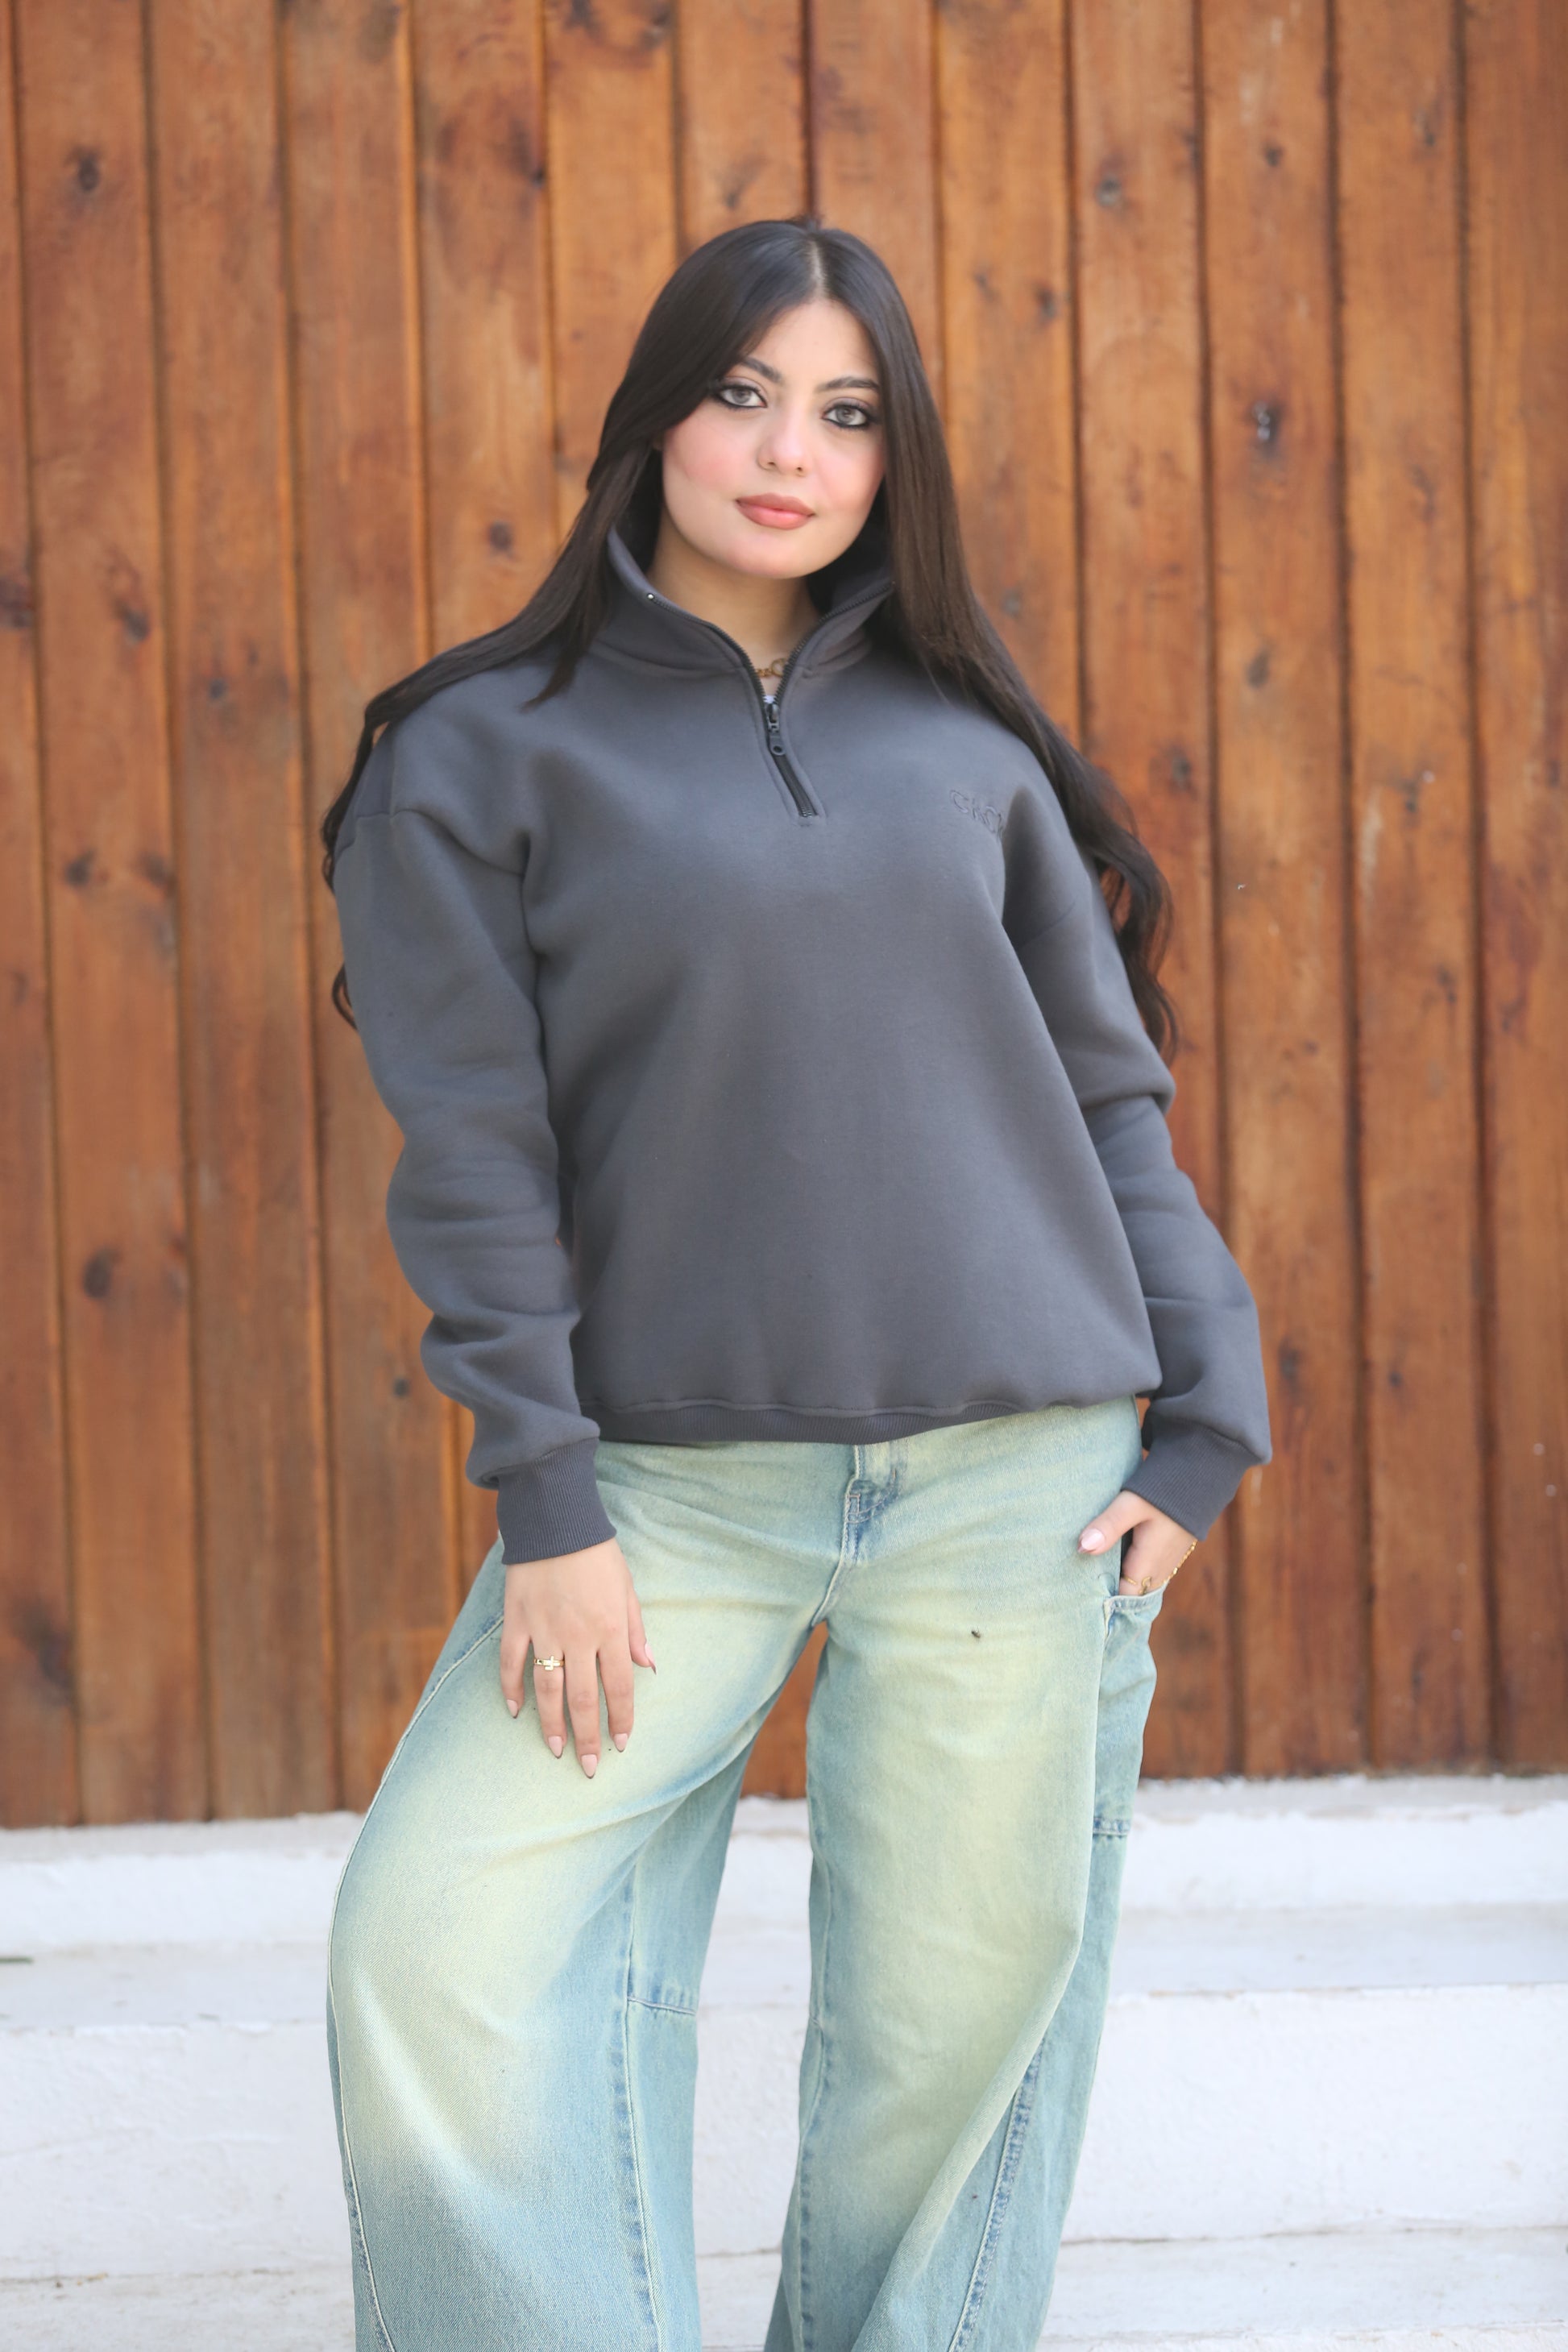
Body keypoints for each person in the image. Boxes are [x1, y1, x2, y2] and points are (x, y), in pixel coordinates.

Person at [319, 214, 1271, 2352]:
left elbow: (1107, 1103)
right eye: (744, 394)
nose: (786, 454)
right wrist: (546, 1495)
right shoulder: (476, 750)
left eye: (844, 414)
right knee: (438, 1954)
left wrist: (1207, 1416)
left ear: (890, 458)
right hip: (665, 1497)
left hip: (1018, 1490)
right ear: (658, 409)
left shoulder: (966, 747)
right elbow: (475, 1153)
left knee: (948, 2056)